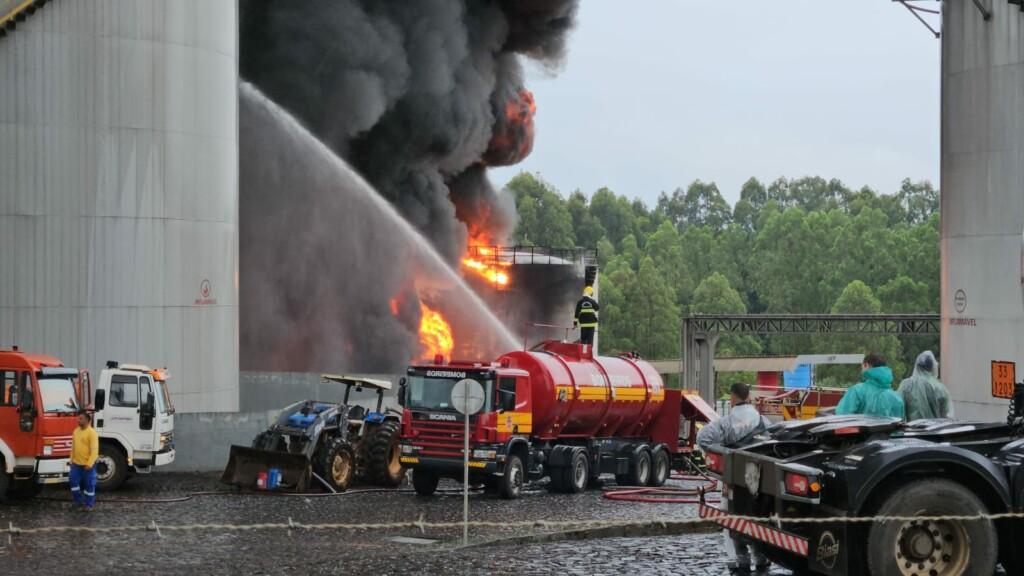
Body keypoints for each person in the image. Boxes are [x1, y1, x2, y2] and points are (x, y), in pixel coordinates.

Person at [697, 383, 771, 574]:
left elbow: (703, 438)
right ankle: (761, 557)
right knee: (758, 518)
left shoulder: (726, 423)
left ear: (732, 398)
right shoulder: (764, 421)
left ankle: (740, 561)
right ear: (749, 397)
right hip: (760, 482)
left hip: (735, 481)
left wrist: (726, 458)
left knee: (734, 518)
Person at [835, 353, 904, 419]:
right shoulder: (897, 398)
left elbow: (842, 417)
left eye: (862, 367)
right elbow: (901, 425)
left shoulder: (857, 391)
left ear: (866, 365)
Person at [898, 351, 952, 420]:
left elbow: (899, 409)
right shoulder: (939, 388)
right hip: (935, 430)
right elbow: (945, 415)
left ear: (917, 366)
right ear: (932, 367)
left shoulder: (906, 385)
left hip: (911, 430)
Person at [70, 411, 99, 511]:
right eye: (78, 418)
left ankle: (89, 505)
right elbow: (73, 447)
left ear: (87, 420)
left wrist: (90, 463)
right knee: (73, 483)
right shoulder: (76, 431)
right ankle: (78, 502)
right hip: (76, 464)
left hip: (88, 466)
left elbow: (95, 450)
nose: (78, 420)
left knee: (89, 485)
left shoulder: (92, 433)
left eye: (80, 418)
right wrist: (71, 460)